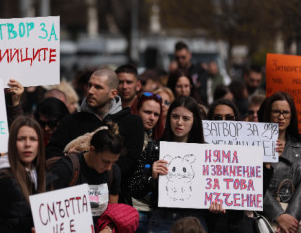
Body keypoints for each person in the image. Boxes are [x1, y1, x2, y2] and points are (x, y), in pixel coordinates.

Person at [46, 68, 144, 203]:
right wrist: (68, 160)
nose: (90, 91)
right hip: (73, 203)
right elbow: (52, 152)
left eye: (98, 87)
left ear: (112, 93)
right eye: (89, 85)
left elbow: (128, 164)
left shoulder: (132, 122)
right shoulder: (71, 120)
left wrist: (87, 158)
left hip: (113, 202)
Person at [150, 96, 209, 232]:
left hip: (195, 219)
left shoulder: (206, 152)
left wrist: (215, 201)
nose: (179, 123)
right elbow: (136, 189)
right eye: (175, 116)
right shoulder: (154, 147)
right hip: (162, 218)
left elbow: (211, 188)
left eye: (186, 118)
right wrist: (151, 176)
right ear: (168, 118)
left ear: (195, 121)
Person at [0, 116, 50, 232]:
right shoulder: (3, 182)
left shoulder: (45, 177)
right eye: (21, 139)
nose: (27, 144)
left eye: (33, 139)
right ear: (12, 143)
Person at [51, 122, 122, 232]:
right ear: (92, 150)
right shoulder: (66, 168)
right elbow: (50, 210)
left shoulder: (113, 171)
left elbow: (112, 212)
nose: (109, 167)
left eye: (113, 162)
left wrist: (108, 228)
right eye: (105, 161)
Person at [205, 99, 248, 233]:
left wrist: (267, 164)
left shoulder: (247, 150)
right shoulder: (200, 148)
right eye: (218, 118)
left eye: (229, 118)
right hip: (209, 221)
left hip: (238, 222)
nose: (223, 122)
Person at [262, 92, 301, 233]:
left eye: (286, 112)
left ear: (292, 116)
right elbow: (250, 184)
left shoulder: (300, 147)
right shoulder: (254, 145)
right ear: (268, 113)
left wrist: (290, 220)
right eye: (276, 112)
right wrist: (278, 215)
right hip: (263, 219)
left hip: (293, 223)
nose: (281, 117)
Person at [129, 91, 165, 233]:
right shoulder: (126, 139)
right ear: (136, 111)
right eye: (147, 112)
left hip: (155, 211)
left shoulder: (158, 141)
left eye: (156, 114)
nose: (152, 118)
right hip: (135, 210)